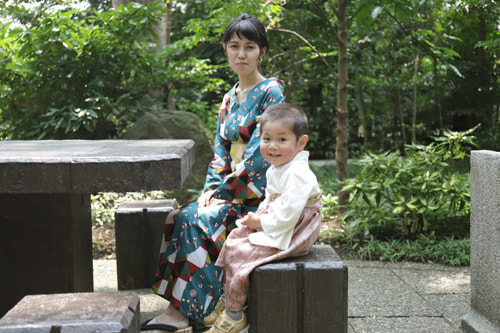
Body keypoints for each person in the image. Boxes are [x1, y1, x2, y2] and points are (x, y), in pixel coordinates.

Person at [140, 14, 285, 333]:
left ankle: (193, 312)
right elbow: (221, 152)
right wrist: (211, 190)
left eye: (250, 46)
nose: (242, 54)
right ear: (225, 50)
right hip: (232, 192)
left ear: (262, 51)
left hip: (258, 197)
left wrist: (223, 194)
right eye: (234, 46)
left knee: (196, 219)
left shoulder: (271, 92)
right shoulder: (229, 98)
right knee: (180, 215)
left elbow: (261, 153)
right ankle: (182, 308)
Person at [206, 103, 323, 333]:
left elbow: (289, 215)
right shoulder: (276, 168)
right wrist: (256, 217)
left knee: (242, 254)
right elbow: (271, 201)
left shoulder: (298, 174)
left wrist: (259, 223)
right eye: (267, 138)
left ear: (301, 143)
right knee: (233, 239)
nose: (272, 147)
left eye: (282, 140)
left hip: (298, 229)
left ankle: (235, 314)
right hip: (280, 220)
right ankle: (231, 298)